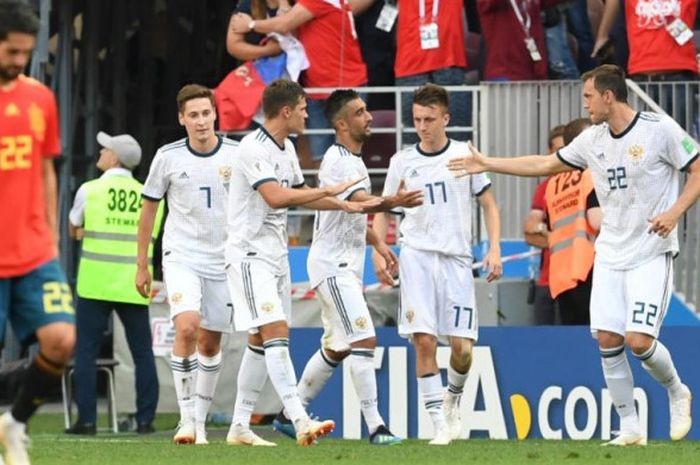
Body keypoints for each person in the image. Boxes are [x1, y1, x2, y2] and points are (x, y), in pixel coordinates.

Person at [448, 64, 700, 445]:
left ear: (608, 96)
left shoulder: (659, 129)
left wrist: (674, 212)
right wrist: (487, 164)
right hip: (611, 255)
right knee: (608, 340)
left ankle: (677, 391)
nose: (585, 104)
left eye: (588, 96)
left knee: (639, 341)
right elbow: (544, 164)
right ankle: (630, 428)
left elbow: (697, 167)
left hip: (651, 250)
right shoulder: (592, 140)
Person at [224, 79, 379, 447]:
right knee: (276, 333)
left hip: (275, 256)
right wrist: (328, 190)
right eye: (304, 108)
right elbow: (277, 197)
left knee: (261, 340)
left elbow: (301, 197)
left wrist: (342, 204)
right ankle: (298, 418)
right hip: (249, 255)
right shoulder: (251, 149)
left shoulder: (287, 149)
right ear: (286, 111)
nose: (308, 115)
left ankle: (239, 426)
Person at [271, 89, 423, 445]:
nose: (369, 117)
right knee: (364, 338)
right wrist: (392, 202)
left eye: (366, 110)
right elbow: (359, 201)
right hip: (332, 266)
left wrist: (380, 243)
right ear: (341, 124)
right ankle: (376, 428)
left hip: (345, 265)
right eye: (360, 112)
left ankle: (287, 414)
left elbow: (353, 215)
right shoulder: (338, 161)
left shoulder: (353, 160)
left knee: (337, 347)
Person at [372, 83, 503, 445]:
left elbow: (489, 204)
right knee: (424, 341)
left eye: (429, 119)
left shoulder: (465, 155)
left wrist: (494, 249)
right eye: (417, 119)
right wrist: (378, 249)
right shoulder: (402, 161)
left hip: (457, 260)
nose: (423, 126)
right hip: (415, 257)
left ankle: (452, 400)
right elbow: (385, 209)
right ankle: (438, 425)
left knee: (462, 350)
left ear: (446, 118)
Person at [136, 84, 238, 445]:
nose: (200, 121)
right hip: (182, 256)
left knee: (210, 344)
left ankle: (200, 420)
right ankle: (185, 420)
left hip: (224, 260)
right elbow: (149, 208)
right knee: (187, 328)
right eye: (192, 115)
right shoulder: (168, 156)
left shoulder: (238, 155)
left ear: (215, 115)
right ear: (181, 119)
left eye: (205, 113)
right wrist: (142, 263)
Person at [0, 2, 76, 464]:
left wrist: (49, 232)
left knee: (61, 340)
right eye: (10, 51)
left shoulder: (39, 98)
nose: (18, 62)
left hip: (33, 251)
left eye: (25, 54)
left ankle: (15, 425)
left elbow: (46, 168)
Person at [66, 132, 163, 435]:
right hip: (133, 283)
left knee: (86, 352)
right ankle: (145, 420)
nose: (100, 151)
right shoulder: (148, 195)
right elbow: (152, 237)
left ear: (115, 158)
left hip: (94, 283)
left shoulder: (90, 190)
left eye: (105, 149)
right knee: (142, 353)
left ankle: (87, 421)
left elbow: (74, 226)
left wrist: (83, 234)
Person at [229, 0, 372, 162]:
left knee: (349, 151)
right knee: (321, 156)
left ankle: (350, 187)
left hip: (345, 85)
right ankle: (326, 187)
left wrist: (251, 24)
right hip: (317, 86)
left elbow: (285, 24)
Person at [543, 117, 601, 325]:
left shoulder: (553, 183)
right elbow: (597, 221)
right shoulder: (591, 173)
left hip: (561, 277)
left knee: (575, 344)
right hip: (589, 271)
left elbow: (550, 227)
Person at [523, 124, 565, 325]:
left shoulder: (589, 182)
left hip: (581, 283)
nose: (563, 156)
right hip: (547, 282)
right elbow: (530, 231)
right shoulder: (545, 188)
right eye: (558, 151)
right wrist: (560, 240)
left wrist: (548, 235)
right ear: (549, 153)